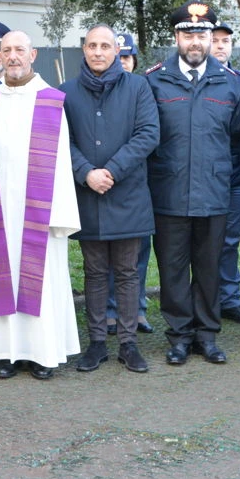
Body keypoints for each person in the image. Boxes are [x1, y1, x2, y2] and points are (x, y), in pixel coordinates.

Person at [0, 31, 83, 378]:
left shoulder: (51, 100)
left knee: (42, 280)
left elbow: (62, 160)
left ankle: (41, 353)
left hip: (40, 211)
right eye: (6, 50)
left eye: (19, 49)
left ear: (32, 54)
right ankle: (5, 352)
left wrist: (60, 214)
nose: (12, 56)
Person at [146, 2, 240, 365]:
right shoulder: (153, 81)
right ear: (176, 37)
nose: (195, 42)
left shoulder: (231, 83)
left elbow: (238, 139)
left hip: (214, 193)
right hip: (169, 193)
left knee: (209, 268)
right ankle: (179, 336)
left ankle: (207, 335)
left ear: (211, 38)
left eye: (202, 35)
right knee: (172, 269)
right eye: (188, 34)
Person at [62, 25, 159, 372]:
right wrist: (86, 172)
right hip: (87, 194)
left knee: (128, 271)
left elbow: (148, 134)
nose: (98, 52)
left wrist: (112, 171)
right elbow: (61, 140)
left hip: (127, 193)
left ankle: (129, 343)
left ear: (117, 51)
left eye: (105, 46)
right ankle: (97, 343)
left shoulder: (138, 87)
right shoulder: (66, 92)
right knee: (94, 272)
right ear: (84, 50)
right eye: (92, 46)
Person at [104, 31, 153, 337]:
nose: (122, 62)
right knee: (107, 257)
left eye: (127, 57)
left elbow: (147, 134)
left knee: (138, 255)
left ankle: (138, 310)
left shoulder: (141, 88)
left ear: (134, 60)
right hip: (103, 183)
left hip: (136, 182)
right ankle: (111, 311)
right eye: (118, 56)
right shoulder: (98, 89)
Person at [210, 19, 240, 326]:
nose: (220, 46)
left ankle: (229, 299)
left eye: (225, 41)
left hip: (234, 176)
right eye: (215, 40)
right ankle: (204, 299)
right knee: (199, 242)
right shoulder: (190, 79)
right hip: (200, 177)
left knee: (230, 240)